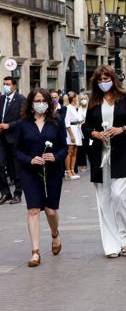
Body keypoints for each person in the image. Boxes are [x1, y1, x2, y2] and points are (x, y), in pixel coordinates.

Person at [82, 65, 126, 258]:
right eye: (99, 80)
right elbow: (86, 126)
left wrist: (122, 129)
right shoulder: (94, 101)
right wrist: (94, 133)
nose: (103, 83)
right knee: (105, 200)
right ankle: (112, 244)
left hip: (124, 153)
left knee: (120, 196)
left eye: (106, 79)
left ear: (113, 79)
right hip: (100, 156)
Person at [14, 89, 67, 267]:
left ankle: (55, 234)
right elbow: (16, 150)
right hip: (29, 171)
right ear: (30, 103)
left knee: (51, 210)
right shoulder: (22, 124)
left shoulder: (56, 122)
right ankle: (35, 252)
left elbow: (64, 148)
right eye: (36, 100)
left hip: (52, 171)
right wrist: (29, 159)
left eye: (43, 100)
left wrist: (56, 156)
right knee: (33, 210)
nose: (40, 103)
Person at [0, 76, 26, 204]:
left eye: (8, 84)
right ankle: (5, 192)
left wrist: (9, 125)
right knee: (0, 165)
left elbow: (24, 119)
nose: (6, 86)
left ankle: (17, 193)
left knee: (15, 168)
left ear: (14, 86)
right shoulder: (1, 99)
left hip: (14, 138)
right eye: (4, 84)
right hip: (1, 138)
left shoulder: (21, 100)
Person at [64, 93, 83, 180]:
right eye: (76, 98)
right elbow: (67, 122)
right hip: (71, 130)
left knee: (75, 152)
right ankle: (68, 171)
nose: (77, 99)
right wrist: (71, 134)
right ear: (73, 98)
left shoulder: (75, 108)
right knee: (70, 151)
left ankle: (72, 170)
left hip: (77, 129)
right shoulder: (68, 108)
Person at [76, 93, 90, 172]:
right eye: (81, 99)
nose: (83, 100)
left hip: (88, 130)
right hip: (79, 131)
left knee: (90, 148)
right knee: (81, 149)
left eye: (85, 98)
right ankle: (82, 166)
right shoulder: (77, 109)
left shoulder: (90, 109)